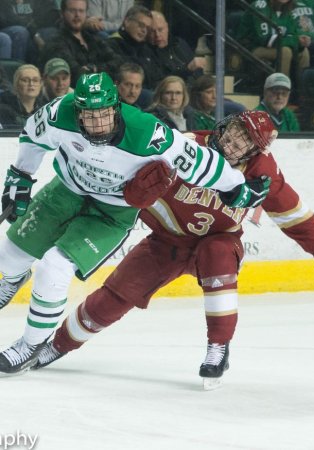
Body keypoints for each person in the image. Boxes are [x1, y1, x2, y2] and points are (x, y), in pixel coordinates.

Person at [30, 110, 314, 390]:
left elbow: (294, 216)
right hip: (166, 242)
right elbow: (125, 182)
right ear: (225, 125)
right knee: (115, 296)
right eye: (234, 131)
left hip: (219, 240)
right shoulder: (184, 147)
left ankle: (218, 347)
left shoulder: (262, 174)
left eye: (244, 140)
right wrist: (135, 191)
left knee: (218, 253)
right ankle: (58, 344)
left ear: (254, 151)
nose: (233, 141)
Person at [0, 72, 272, 375]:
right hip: (67, 189)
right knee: (9, 255)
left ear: (116, 107)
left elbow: (198, 160)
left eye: (104, 114)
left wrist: (237, 186)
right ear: (77, 111)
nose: (98, 124)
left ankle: (30, 345)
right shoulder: (58, 112)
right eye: (89, 116)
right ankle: (13, 277)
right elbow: (33, 135)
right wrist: (20, 175)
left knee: (54, 268)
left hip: (112, 211)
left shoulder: (148, 133)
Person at [39, 0, 123, 87]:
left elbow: (119, 62)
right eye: (72, 11)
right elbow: (78, 76)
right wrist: (103, 72)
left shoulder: (93, 38)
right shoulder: (56, 42)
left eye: (81, 11)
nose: (77, 15)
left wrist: (95, 68)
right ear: (62, 13)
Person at [235, 0, 309, 85]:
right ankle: (280, 88)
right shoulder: (260, 5)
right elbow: (266, 39)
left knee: (303, 52)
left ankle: (300, 90)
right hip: (251, 49)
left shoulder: (286, 10)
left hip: (275, 46)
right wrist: (296, 41)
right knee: (285, 52)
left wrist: (300, 42)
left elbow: (291, 34)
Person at [107, 5, 163, 92]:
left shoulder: (146, 49)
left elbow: (158, 76)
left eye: (147, 28)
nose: (144, 30)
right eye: (141, 25)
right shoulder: (111, 45)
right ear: (127, 21)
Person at [147, 11, 206, 85]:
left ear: (167, 27)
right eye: (152, 31)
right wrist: (187, 69)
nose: (157, 35)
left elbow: (198, 71)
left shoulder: (179, 43)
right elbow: (160, 82)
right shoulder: (148, 54)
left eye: (160, 29)